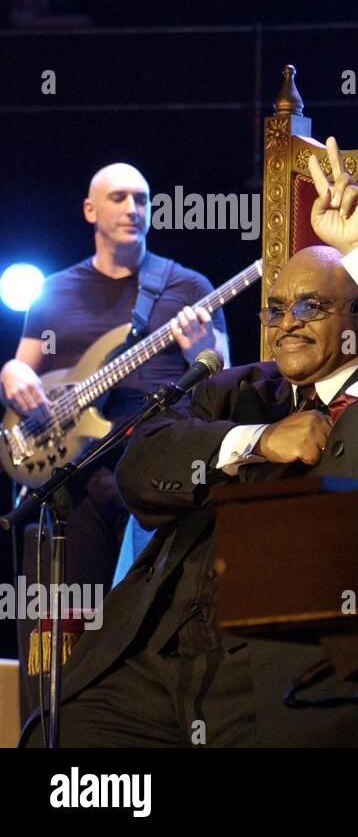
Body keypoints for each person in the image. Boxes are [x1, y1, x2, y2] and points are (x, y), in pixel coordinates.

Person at [21, 138, 358, 747]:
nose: (288, 321)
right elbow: (141, 469)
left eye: (311, 305)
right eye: (275, 309)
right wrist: (257, 439)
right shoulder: (233, 391)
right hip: (156, 658)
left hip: (299, 669)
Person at [2, 162, 227, 723]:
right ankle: (54, 733)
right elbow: (21, 373)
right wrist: (11, 372)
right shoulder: (54, 292)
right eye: (119, 197)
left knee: (147, 620)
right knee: (60, 624)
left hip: (157, 476)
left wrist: (203, 347)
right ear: (90, 211)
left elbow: (228, 376)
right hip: (72, 484)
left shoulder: (188, 287)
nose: (133, 208)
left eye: (143, 199)